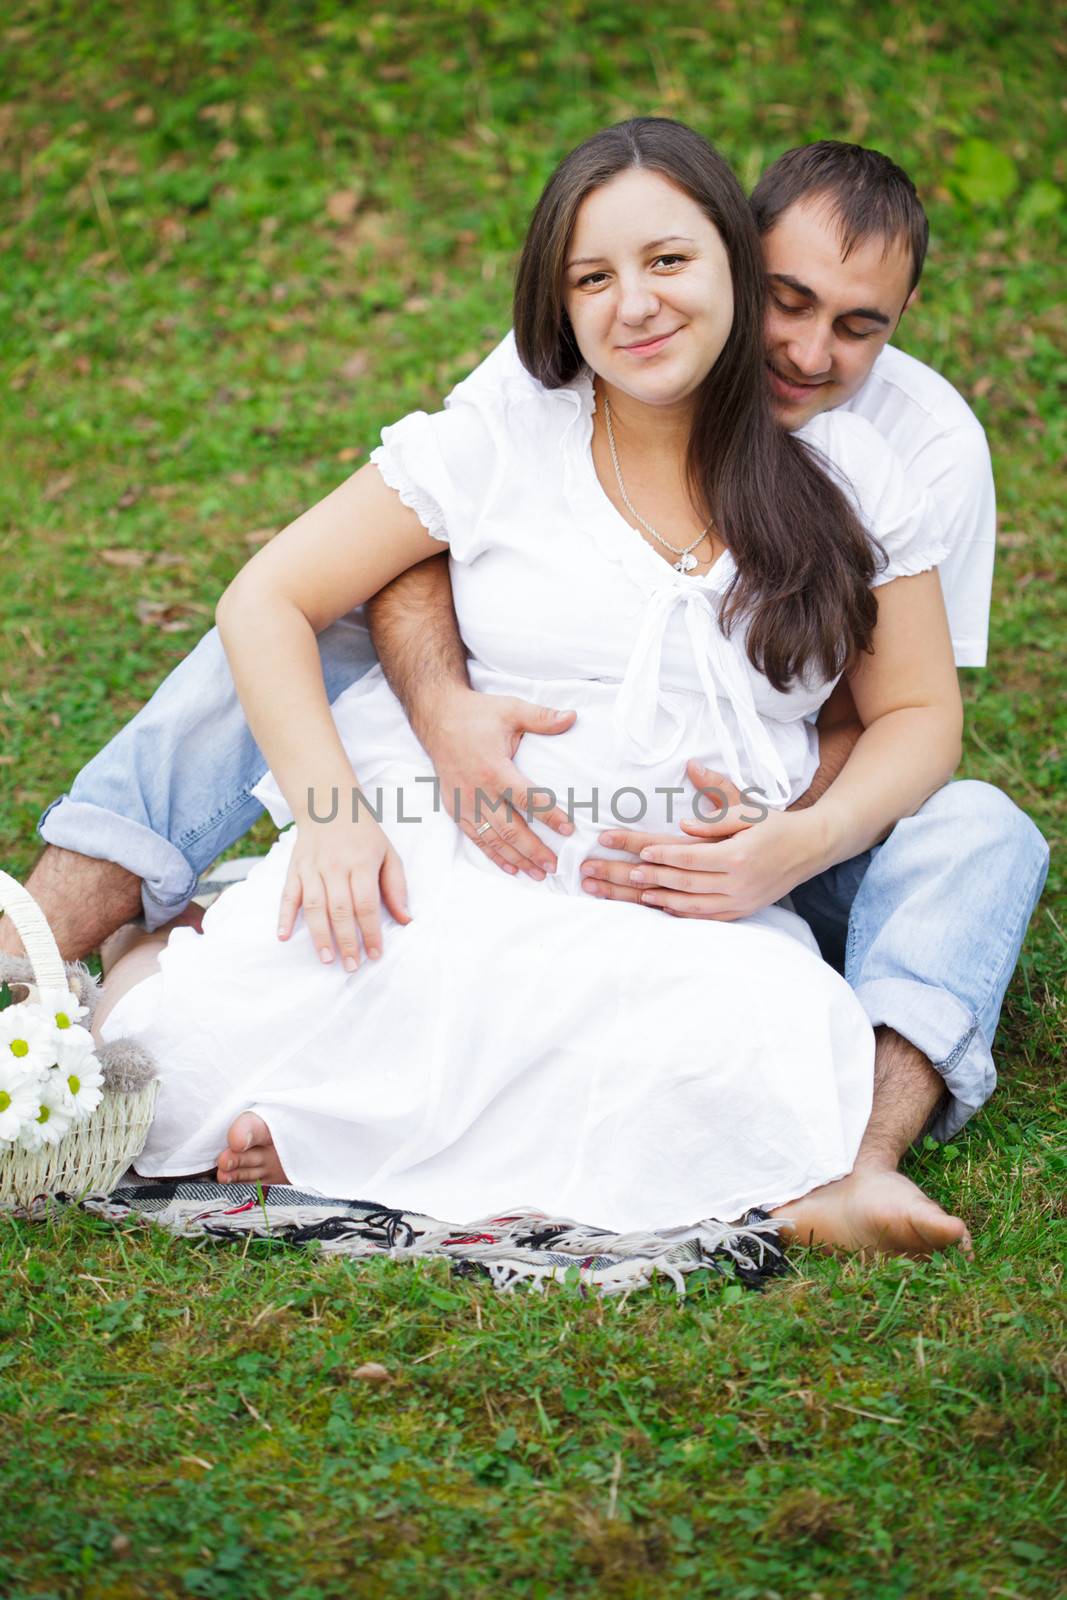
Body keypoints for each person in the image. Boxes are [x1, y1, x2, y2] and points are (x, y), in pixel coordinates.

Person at [9, 137, 1048, 1252]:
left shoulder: (877, 459)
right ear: (750, 273)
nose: (805, 347)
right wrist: (348, 800)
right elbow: (281, 593)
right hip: (481, 845)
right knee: (255, 1016)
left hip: (702, 889)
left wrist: (786, 841)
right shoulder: (522, 412)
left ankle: (840, 1160)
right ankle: (73, 949)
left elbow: (906, 711)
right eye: (593, 277)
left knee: (775, 1043)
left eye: (856, 324)